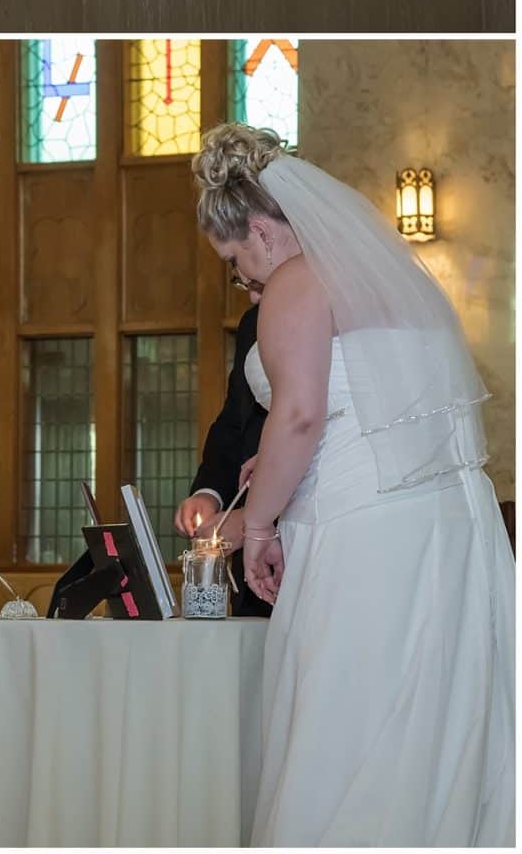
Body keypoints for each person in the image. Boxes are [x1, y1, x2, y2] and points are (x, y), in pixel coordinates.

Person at [194, 123, 514, 844]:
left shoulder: (296, 282)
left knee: (353, 718)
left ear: (259, 230)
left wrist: (256, 526)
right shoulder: (395, 280)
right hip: (452, 528)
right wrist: (275, 468)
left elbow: (301, 416)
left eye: (233, 256)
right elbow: (374, 409)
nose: (240, 276)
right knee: (438, 716)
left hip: (366, 539)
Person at [173, 280, 271, 619]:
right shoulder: (251, 324)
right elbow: (234, 423)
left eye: (252, 279)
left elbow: (314, 431)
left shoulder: (336, 317)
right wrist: (210, 491)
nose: (252, 294)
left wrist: (256, 520)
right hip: (251, 564)